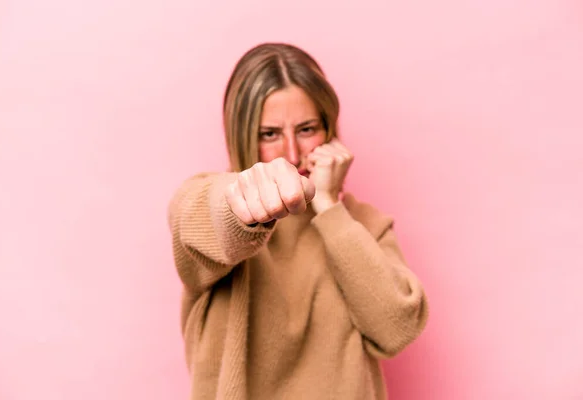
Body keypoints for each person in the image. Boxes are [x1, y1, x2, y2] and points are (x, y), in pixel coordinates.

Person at [167, 42, 429, 400]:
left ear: (329, 130)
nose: (291, 153)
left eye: (306, 129)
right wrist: (243, 205)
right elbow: (203, 214)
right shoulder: (209, 196)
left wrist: (329, 208)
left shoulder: (366, 224)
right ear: (241, 135)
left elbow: (396, 329)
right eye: (269, 134)